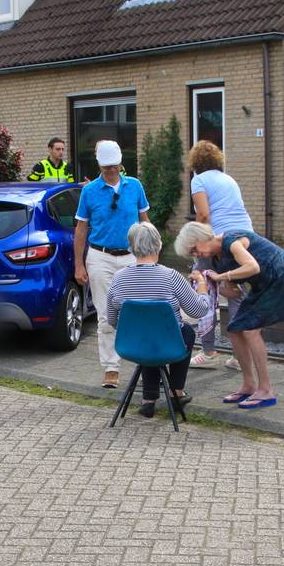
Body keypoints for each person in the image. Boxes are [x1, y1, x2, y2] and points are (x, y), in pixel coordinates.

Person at [174, 221, 284, 409]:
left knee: (250, 330)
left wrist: (222, 277)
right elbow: (233, 293)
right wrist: (207, 282)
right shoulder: (216, 258)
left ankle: (266, 390)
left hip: (281, 276)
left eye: (194, 249)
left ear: (201, 238)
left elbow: (253, 267)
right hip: (262, 285)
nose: (195, 255)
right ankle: (249, 385)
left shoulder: (231, 241)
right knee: (234, 329)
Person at [106, 222, 210, 418]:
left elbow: (111, 319)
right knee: (184, 331)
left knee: (147, 333)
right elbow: (198, 310)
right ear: (158, 245)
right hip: (167, 345)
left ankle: (148, 399)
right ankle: (176, 392)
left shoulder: (118, 278)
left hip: (132, 345)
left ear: (131, 247)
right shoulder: (171, 276)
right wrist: (202, 287)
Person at [74, 140, 150, 389]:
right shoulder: (90, 191)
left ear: (120, 164)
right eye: (106, 168)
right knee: (106, 315)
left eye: (114, 167)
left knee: (138, 309)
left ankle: (144, 363)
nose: (110, 172)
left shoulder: (135, 186)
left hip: (131, 256)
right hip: (100, 257)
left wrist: (150, 254)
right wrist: (79, 265)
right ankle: (111, 367)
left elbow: (145, 221)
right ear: (99, 166)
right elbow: (81, 229)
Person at [185, 140, 251, 372]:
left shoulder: (199, 180)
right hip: (243, 238)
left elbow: (203, 214)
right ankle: (239, 355)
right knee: (234, 293)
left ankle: (208, 351)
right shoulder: (228, 178)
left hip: (217, 240)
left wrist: (192, 238)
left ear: (195, 162)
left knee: (206, 290)